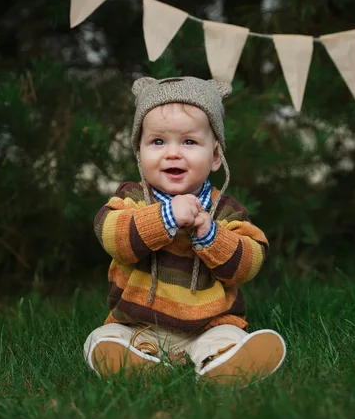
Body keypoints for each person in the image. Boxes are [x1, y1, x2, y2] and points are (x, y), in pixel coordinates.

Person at [84, 76, 286, 385]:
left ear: (216, 155)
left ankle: (223, 362)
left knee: (226, 335)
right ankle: (140, 362)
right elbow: (112, 236)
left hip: (208, 324)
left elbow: (250, 261)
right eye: (158, 142)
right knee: (103, 338)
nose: (173, 153)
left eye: (189, 142)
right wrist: (165, 217)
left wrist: (210, 234)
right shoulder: (132, 199)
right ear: (139, 152)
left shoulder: (226, 210)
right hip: (140, 325)